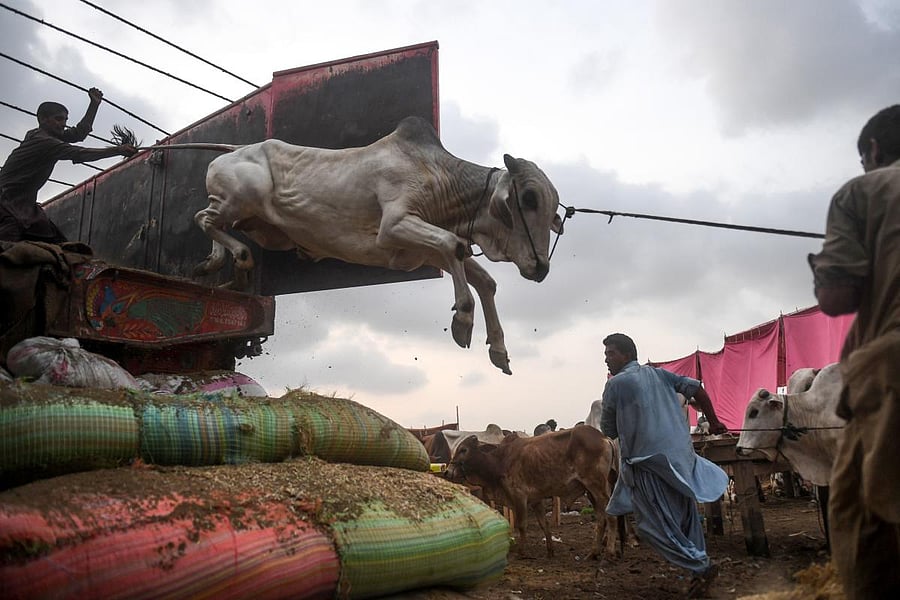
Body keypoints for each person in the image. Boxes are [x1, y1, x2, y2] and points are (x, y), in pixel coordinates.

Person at [807, 104, 900, 600]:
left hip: (892, 374)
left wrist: (824, 267)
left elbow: (837, 297)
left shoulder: (864, 191)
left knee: (863, 524)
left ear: (873, 151)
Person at [598, 332, 728, 599]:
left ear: (625, 354)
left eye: (610, 353)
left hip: (648, 465)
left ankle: (700, 565)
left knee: (650, 527)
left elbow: (608, 428)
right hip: (681, 461)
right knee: (687, 518)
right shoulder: (661, 375)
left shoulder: (615, 384)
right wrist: (713, 420)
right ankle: (697, 573)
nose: (606, 359)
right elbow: (697, 389)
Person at [0, 88, 136, 243]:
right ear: (43, 119)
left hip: (23, 206)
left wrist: (94, 105)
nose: (63, 124)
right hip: (6, 205)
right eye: (58, 119)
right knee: (8, 250)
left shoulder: (48, 135)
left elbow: (78, 134)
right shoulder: (43, 141)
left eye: (65, 120)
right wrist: (118, 150)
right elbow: (79, 153)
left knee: (59, 246)